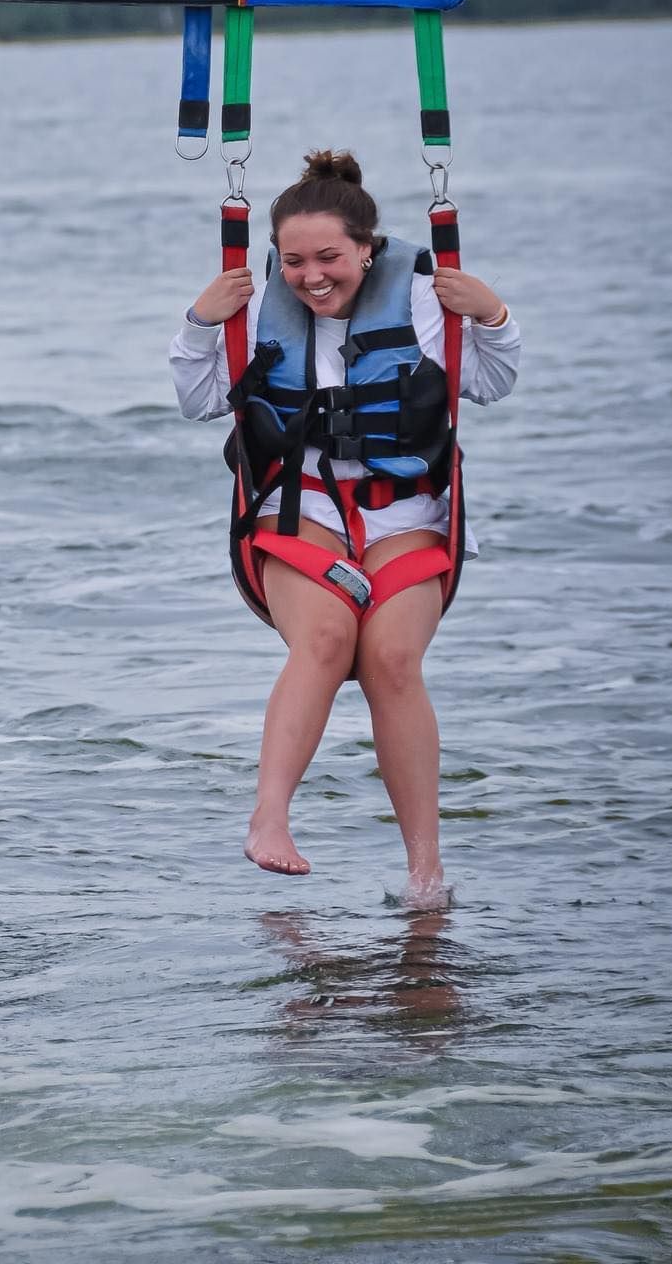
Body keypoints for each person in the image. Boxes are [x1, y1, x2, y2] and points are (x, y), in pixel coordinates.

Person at [169, 150, 519, 907]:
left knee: (392, 659)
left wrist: (491, 315)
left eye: (330, 257)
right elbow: (199, 401)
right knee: (326, 640)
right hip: (302, 511)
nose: (311, 276)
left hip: (409, 512)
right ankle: (270, 818)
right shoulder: (260, 304)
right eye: (293, 260)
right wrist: (201, 322)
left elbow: (487, 384)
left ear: (367, 246)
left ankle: (425, 873)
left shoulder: (426, 297)